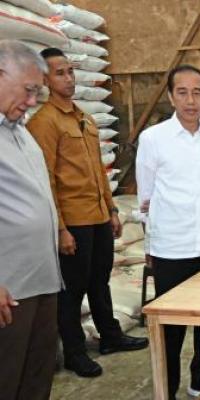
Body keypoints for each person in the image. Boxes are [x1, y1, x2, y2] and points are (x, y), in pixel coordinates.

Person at [26, 47, 148, 379]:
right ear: (44, 80)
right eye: (60, 73)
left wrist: (111, 209)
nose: (69, 78)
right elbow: (46, 180)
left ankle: (110, 336)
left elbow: (98, 171)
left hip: (97, 216)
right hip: (73, 221)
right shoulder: (43, 123)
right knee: (72, 291)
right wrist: (60, 229)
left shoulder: (84, 118)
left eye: (70, 71)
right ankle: (75, 353)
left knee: (99, 281)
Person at [136, 64, 200, 400]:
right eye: (182, 92)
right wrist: (151, 244)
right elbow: (146, 197)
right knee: (171, 328)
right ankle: (168, 389)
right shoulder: (153, 139)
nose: (190, 100)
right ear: (170, 96)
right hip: (171, 248)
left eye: (197, 92)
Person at [0, 39, 62, 400]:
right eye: (28, 90)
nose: (33, 100)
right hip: (10, 290)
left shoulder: (20, 132)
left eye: (38, 92)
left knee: (37, 378)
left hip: (41, 280)